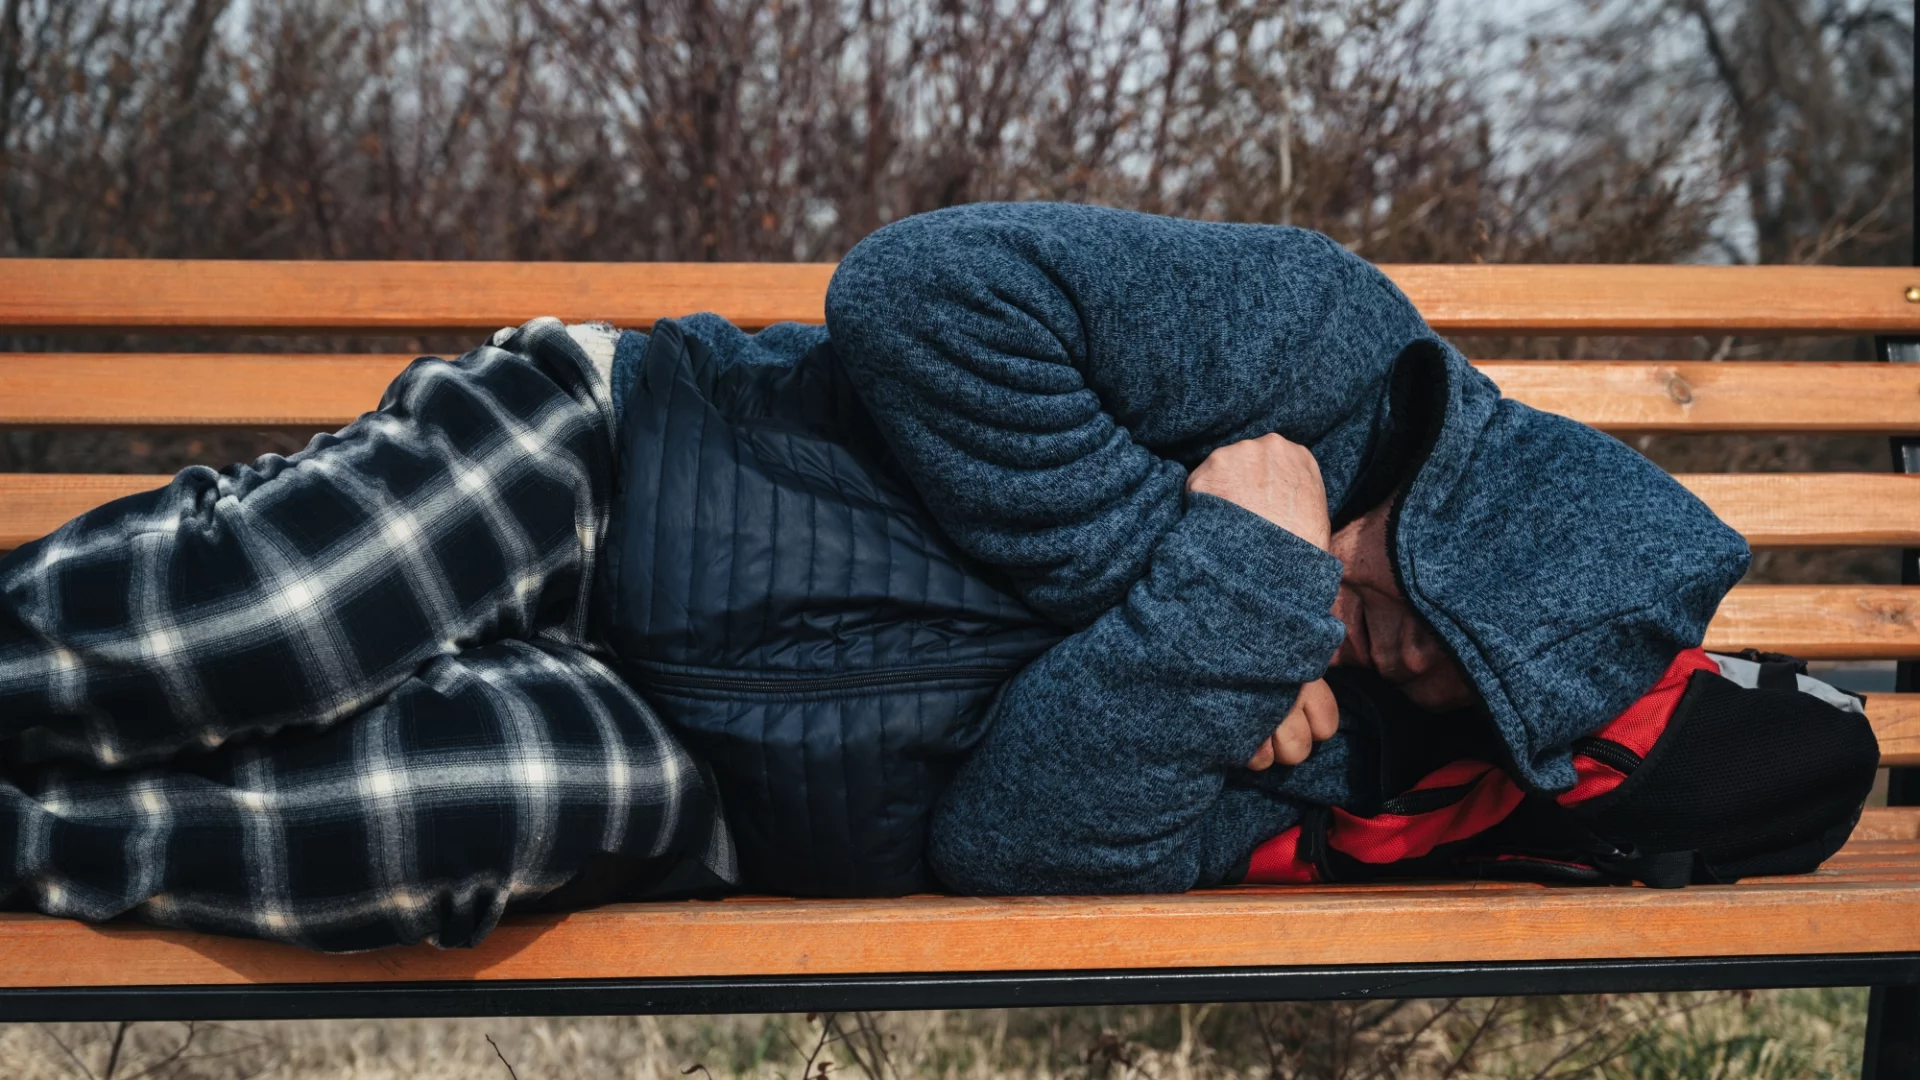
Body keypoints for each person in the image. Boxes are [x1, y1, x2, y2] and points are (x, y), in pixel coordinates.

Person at [0, 202, 1750, 949]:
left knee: (450, 817)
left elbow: (1016, 842)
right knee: (266, 624)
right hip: (624, 461)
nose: (1376, 653)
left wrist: (1236, 599)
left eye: (1429, 679)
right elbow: (921, 294)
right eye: (1407, 607)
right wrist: (1192, 541)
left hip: (706, 785)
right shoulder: (1319, 337)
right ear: (1466, 508)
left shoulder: (1322, 747)